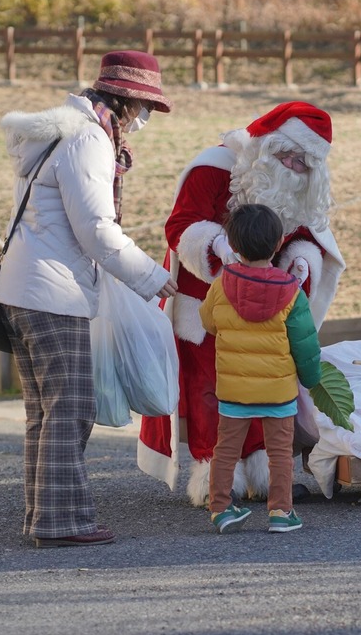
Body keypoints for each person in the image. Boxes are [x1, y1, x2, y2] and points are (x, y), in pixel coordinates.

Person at [0, 50, 178, 548]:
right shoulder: (89, 139)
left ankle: (43, 516)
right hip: (53, 292)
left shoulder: (58, 131)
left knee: (45, 414)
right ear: (125, 101)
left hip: (22, 288)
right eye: (144, 108)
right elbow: (96, 228)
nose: (143, 120)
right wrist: (150, 275)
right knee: (70, 409)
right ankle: (63, 521)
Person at [137, 101, 346, 507]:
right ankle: (215, 474)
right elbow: (181, 226)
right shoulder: (214, 167)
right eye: (286, 156)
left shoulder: (299, 187)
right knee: (210, 389)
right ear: (267, 147)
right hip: (207, 299)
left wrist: (301, 261)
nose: (293, 168)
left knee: (261, 386)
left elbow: (308, 236)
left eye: (303, 163)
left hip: (268, 303)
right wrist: (218, 247)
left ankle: (263, 472)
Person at [200, 203, 322, 533]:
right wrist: (312, 378)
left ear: (233, 245)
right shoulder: (291, 292)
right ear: (279, 243)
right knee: (280, 454)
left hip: (234, 391)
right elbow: (305, 343)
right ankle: (281, 512)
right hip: (278, 393)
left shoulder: (221, 286)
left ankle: (220, 508)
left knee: (226, 451)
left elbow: (208, 322)